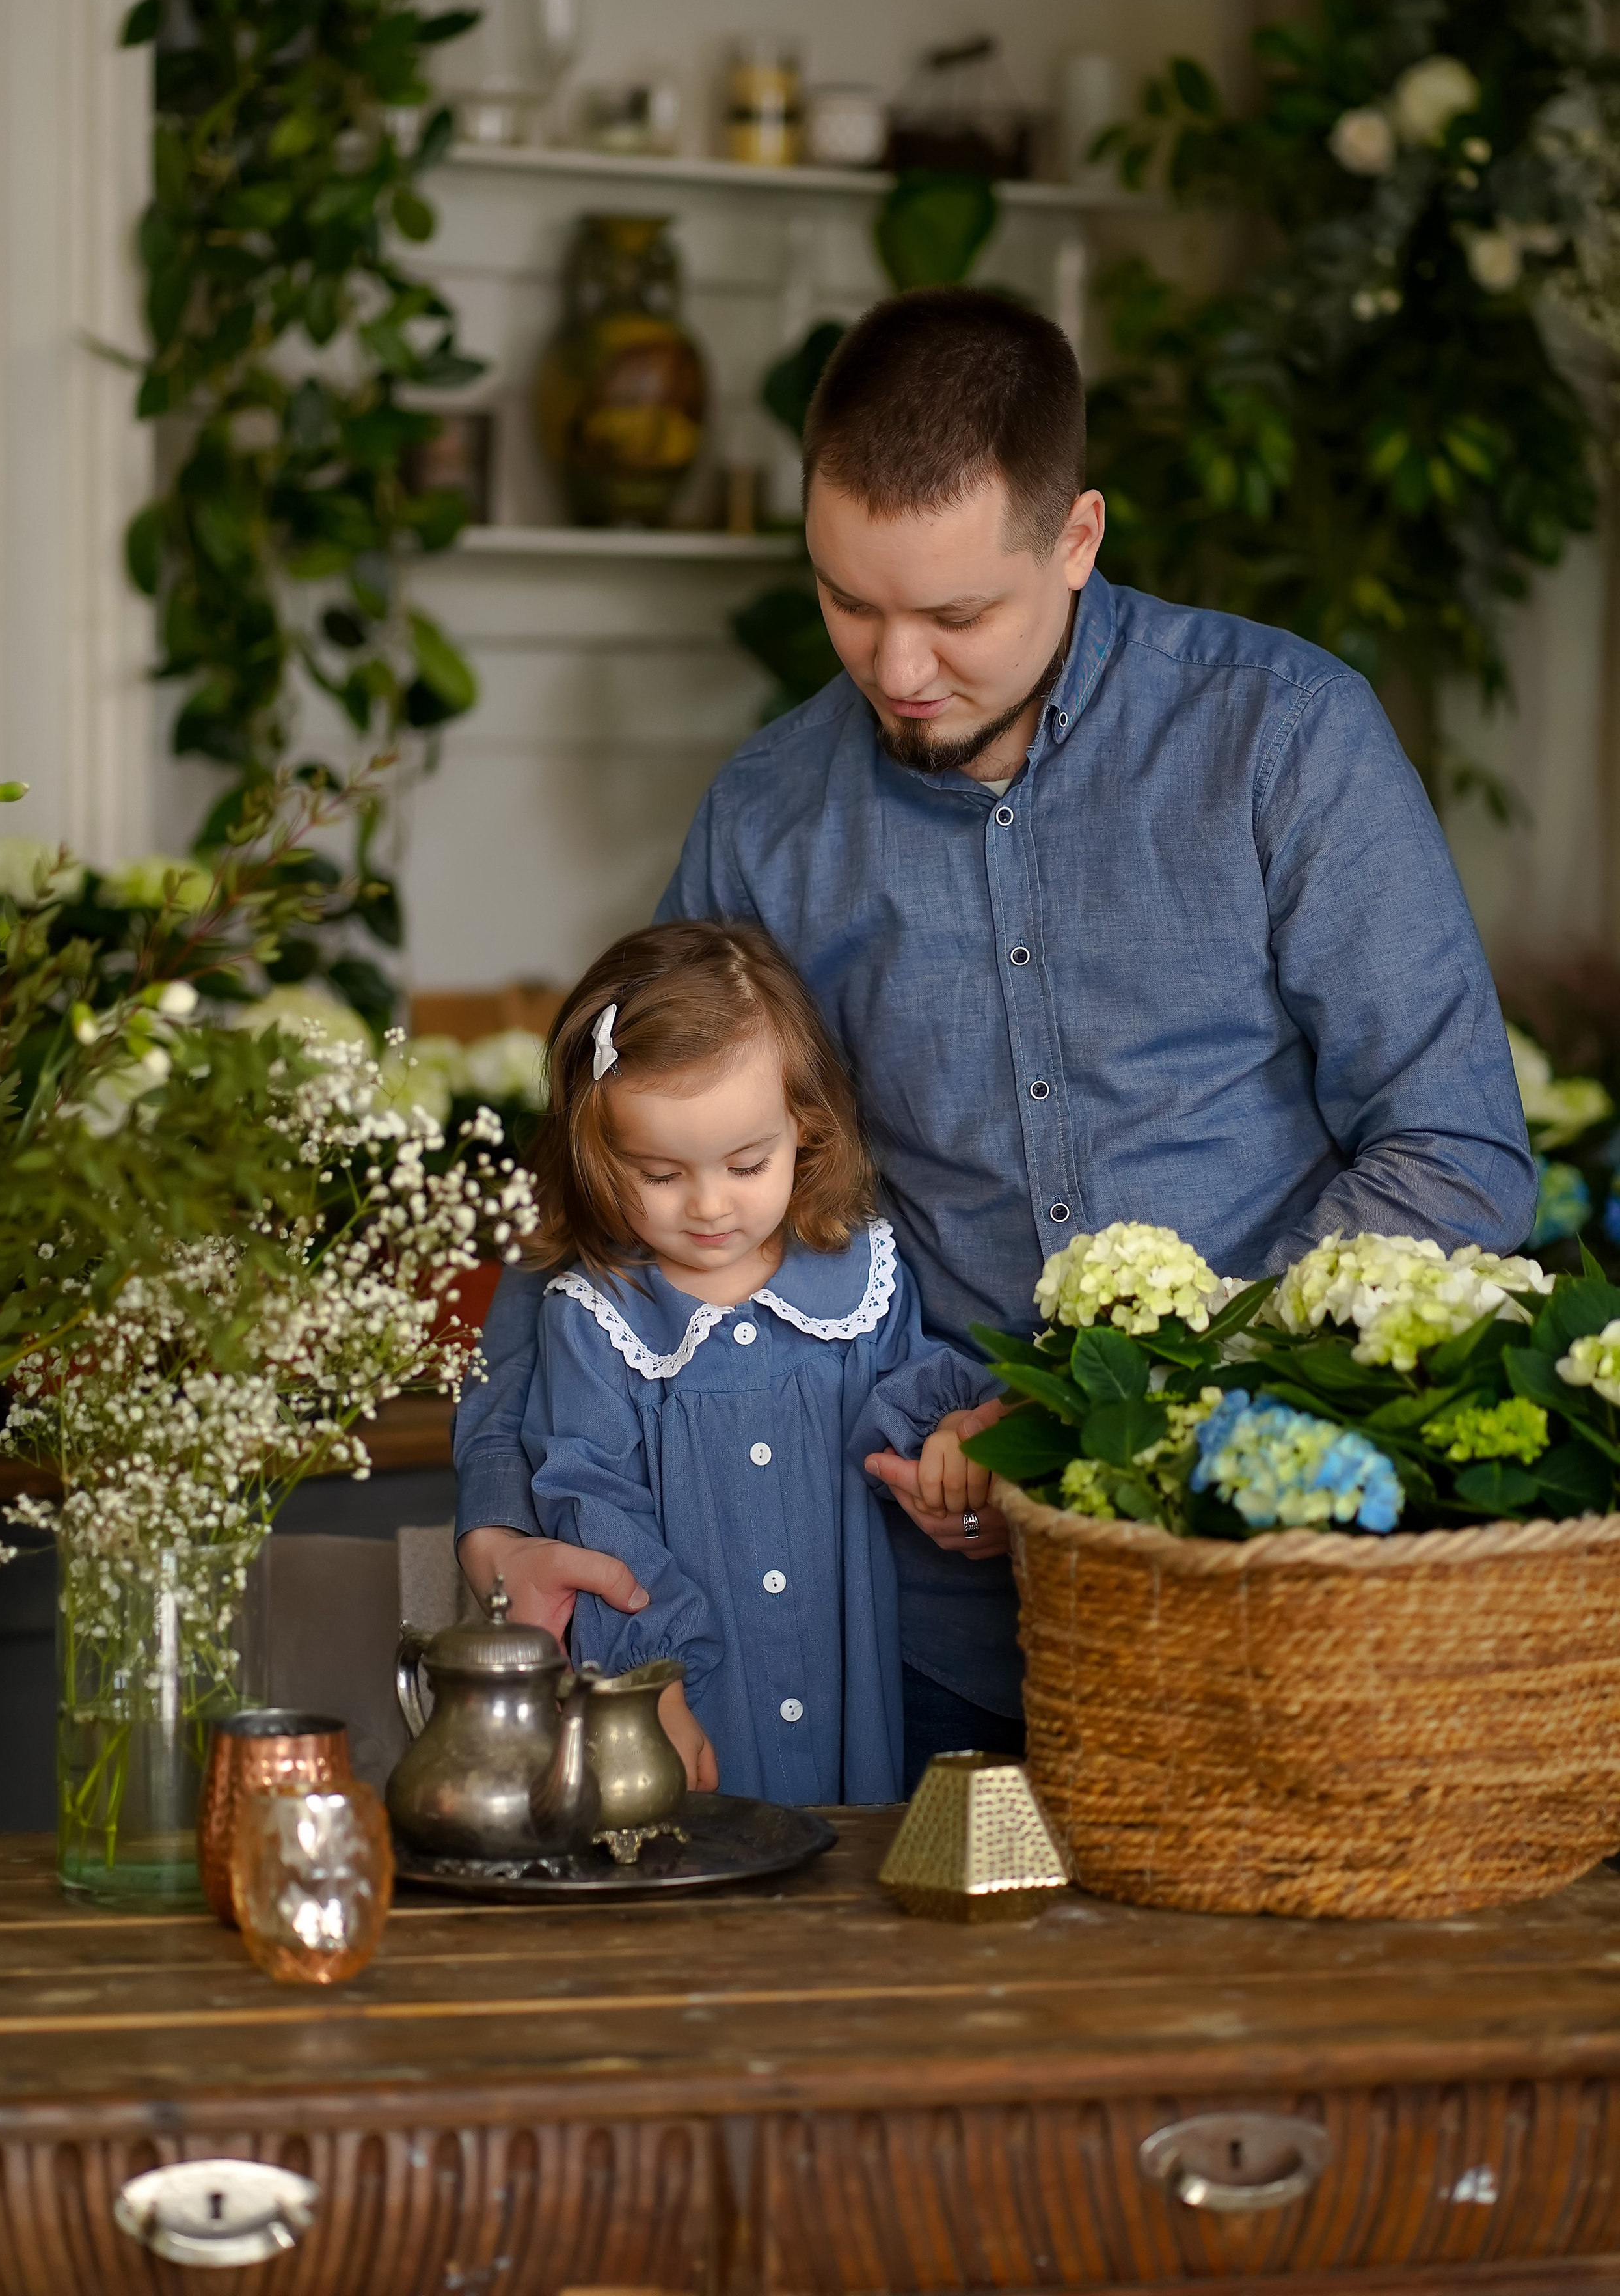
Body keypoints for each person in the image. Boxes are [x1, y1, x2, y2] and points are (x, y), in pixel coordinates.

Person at [455, 286, 1535, 1785]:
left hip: (1255, 1590)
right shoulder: (768, 818)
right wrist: (501, 1512)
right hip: (895, 1639)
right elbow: (603, 1177)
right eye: (848, 601)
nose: (897, 671)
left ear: (1076, 539)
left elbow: (1456, 1162)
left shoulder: (1283, 739)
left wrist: (1078, 1414)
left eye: (957, 615)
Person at [517, 918, 995, 1806]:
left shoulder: (863, 1280)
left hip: (846, 1694)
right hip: (690, 1709)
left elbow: (913, 1404)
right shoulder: (596, 1319)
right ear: (598, 1157)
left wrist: (955, 1445)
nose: (708, 1207)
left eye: (747, 1163)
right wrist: (651, 1683)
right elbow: (596, 1511)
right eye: (659, 1174)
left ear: (804, 1133)